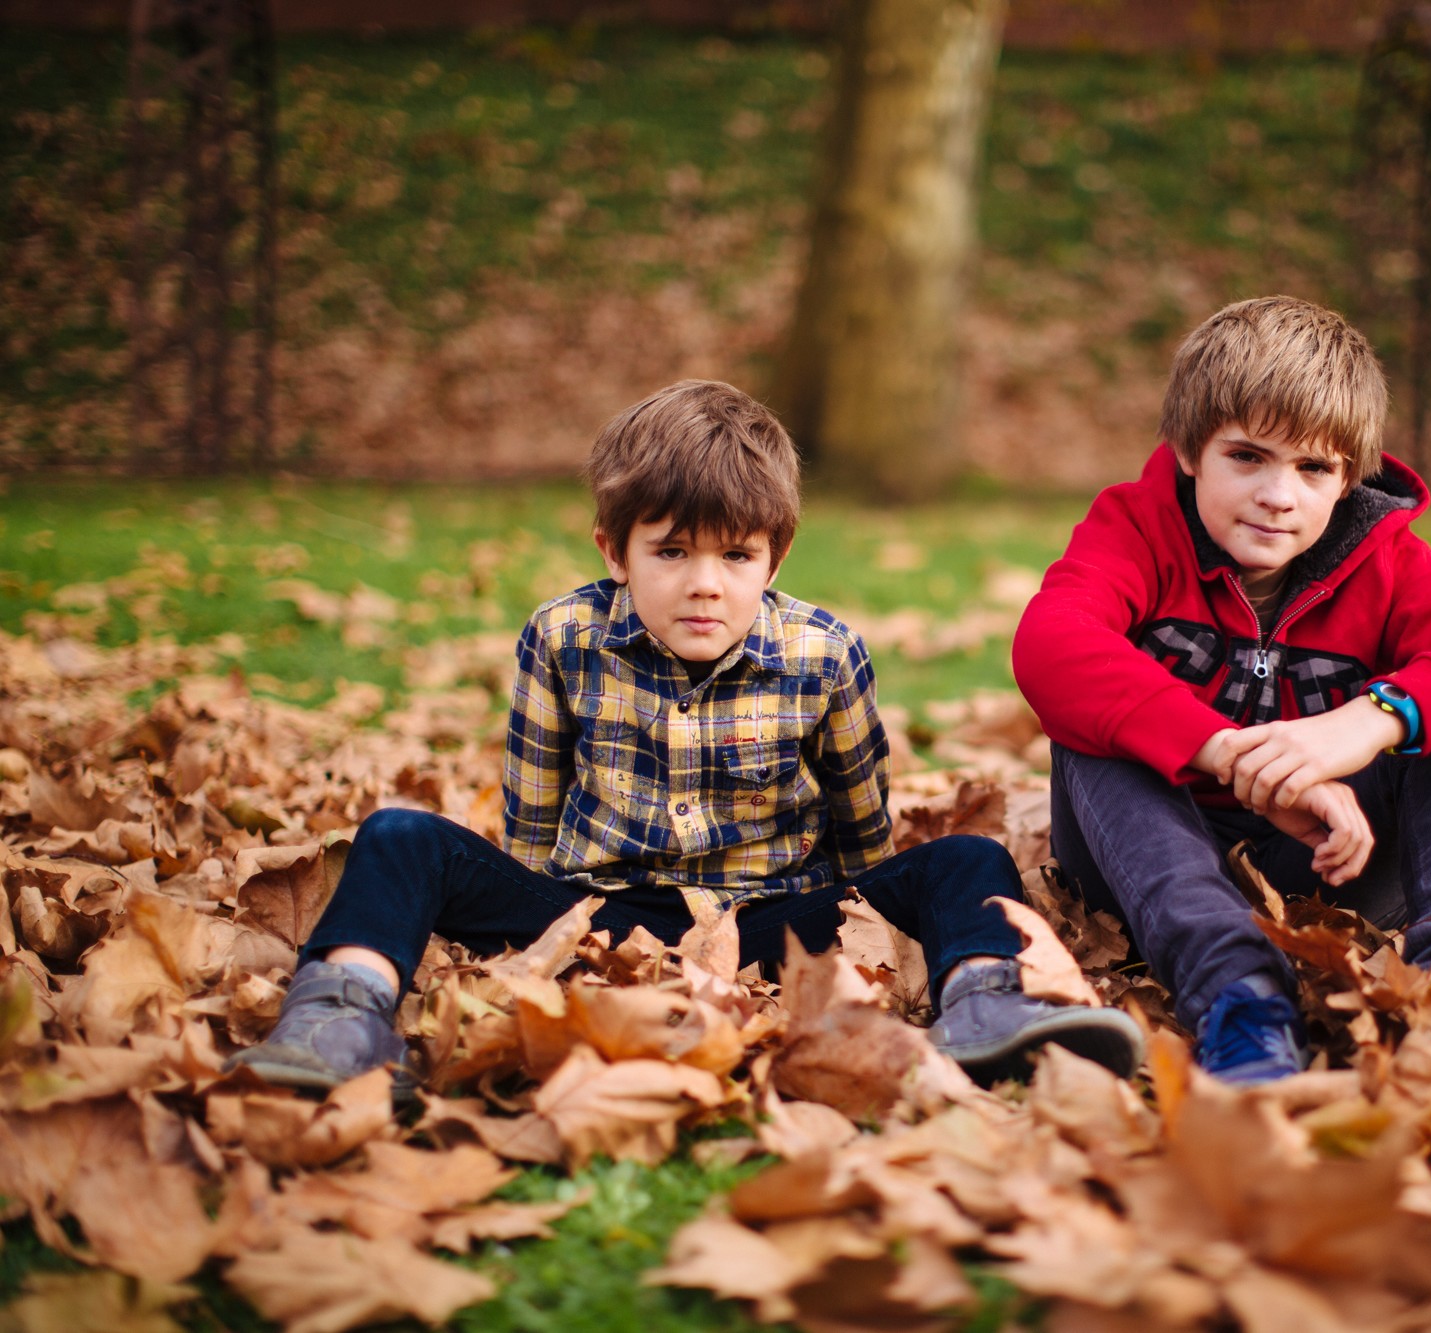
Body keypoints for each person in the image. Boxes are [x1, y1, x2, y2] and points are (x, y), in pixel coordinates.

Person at [226, 380, 1142, 1092]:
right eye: (671, 552)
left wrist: (866, 907)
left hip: (776, 921)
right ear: (613, 552)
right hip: (597, 910)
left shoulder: (824, 655)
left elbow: (862, 820)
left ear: (773, 559)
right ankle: (341, 1011)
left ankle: (984, 1005)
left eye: (736, 556)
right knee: (398, 837)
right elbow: (533, 809)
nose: (705, 583)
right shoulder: (563, 637)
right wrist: (540, 929)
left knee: (964, 860)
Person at [1012, 296, 1431, 1084]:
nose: (1279, 495)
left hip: (1332, 861)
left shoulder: (1385, 561)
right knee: (1096, 723)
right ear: (1192, 450)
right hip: (1147, 864)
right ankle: (1239, 996)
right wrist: (1228, 753)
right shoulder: (1136, 528)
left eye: (1313, 467)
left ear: (1347, 476)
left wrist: (1364, 725)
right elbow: (1051, 642)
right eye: (1249, 457)